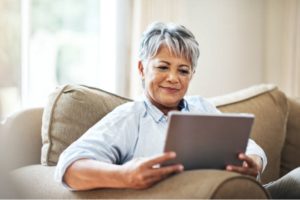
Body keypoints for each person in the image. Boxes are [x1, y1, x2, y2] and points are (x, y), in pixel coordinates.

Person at [55, 22, 300, 198]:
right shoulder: (130, 117)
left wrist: (253, 162)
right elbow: (69, 167)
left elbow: (249, 146)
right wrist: (125, 175)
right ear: (142, 69)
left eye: (183, 70)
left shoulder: (201, 107)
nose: (173, 78)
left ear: (192, 75)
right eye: (163, 67)